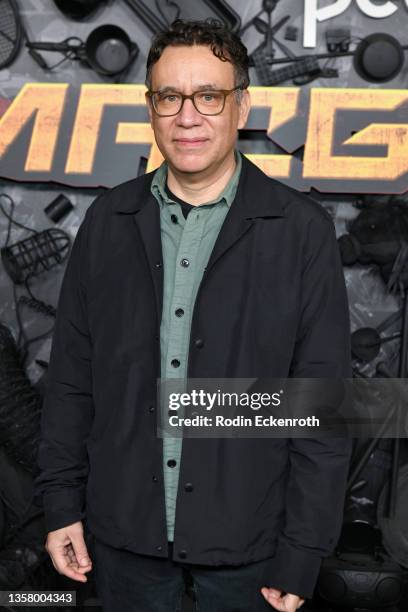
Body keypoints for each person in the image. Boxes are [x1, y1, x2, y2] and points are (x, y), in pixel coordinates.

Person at [35, 18, 353, 612]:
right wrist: (60, 507)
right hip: (122, 545)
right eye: (169, 97)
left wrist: (303, 551)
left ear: (241, 106)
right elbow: (71, 384)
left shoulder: (302, 232)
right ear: (150, 106)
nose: (188, 117)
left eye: (209, 96)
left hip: (252, 555)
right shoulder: (107, 223)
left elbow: (321, 409)